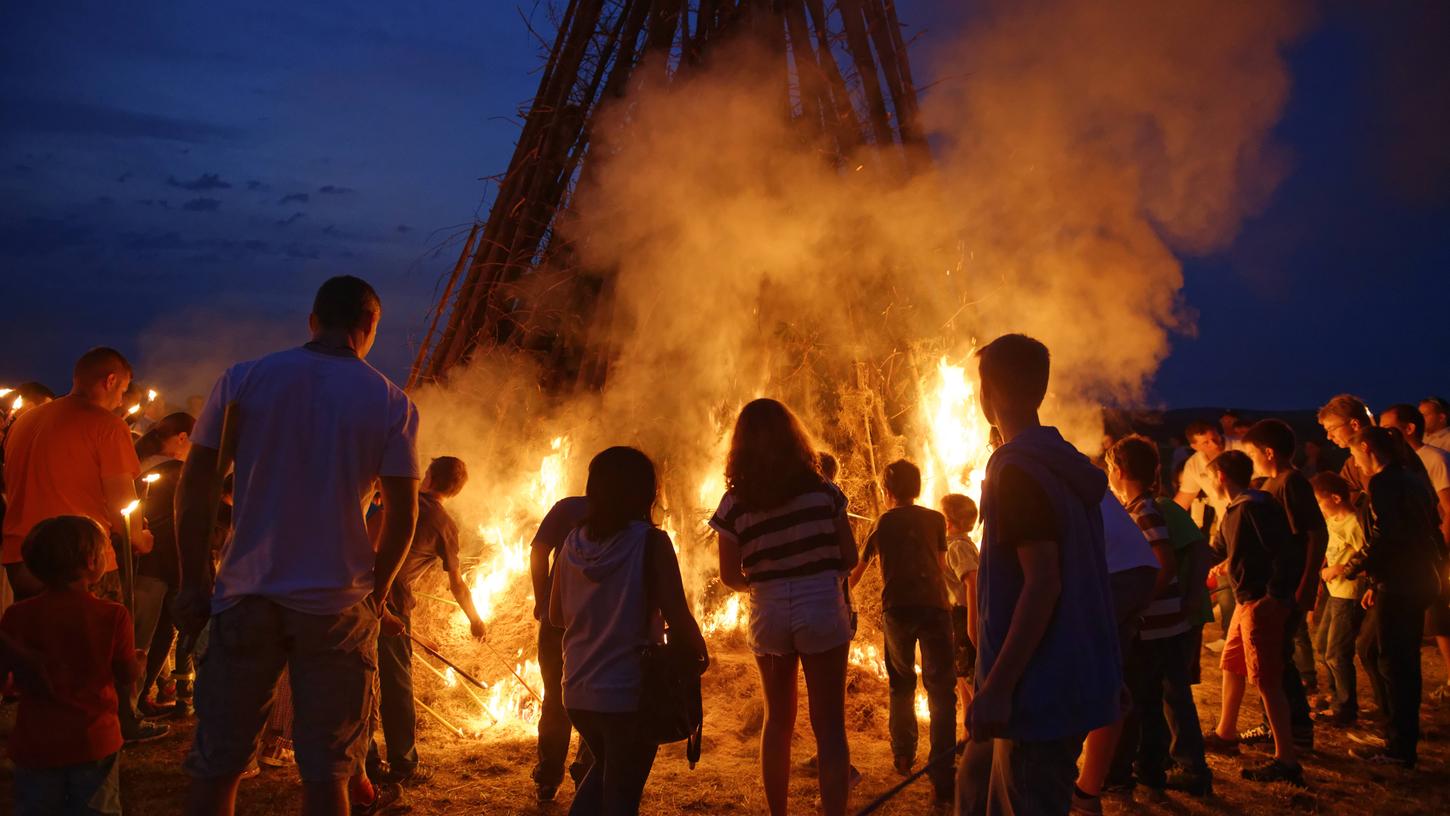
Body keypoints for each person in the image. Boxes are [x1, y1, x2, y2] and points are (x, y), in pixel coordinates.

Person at [173, 276, 421, 816]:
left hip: (246, 594)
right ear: (370, 327)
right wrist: (376, 593)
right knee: (328, 773)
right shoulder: (388, 401)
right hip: (335, 605)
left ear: (312, 321)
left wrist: (194, 581)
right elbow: (404, 511)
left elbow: (195, 487)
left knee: (219, 767)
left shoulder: (244, 380)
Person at [957, 335, 1121, 816]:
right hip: (1064, 678)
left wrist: (999, 688)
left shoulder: (1018, 473)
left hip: (1036, 694)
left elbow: (1043, 583)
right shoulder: (1063, 466)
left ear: (988, 395)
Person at [711, 398, 858, 816]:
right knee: (829, 725)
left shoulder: (734, 502)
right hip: (820, 607)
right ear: (794, 436)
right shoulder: (822, 490)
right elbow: (848, 557)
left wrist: (764, 582)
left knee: (777, 721)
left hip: (769, 609)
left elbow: (729, 575)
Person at [550, 446, 708, 816]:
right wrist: (700, 653)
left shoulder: (572, 542)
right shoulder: (650, 542)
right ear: (647, 493)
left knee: (606, 772)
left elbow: (557, 615)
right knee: (621, 798)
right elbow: (677, 613)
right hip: (629, 693)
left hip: (577, 691)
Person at [0, 516, 141, 816]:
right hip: (93, 739)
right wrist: (137, 662)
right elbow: (126, 675)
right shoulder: (112, 616)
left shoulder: (16, 616)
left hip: (36, 741)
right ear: (92, 561)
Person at [1101, 435, 1211, 801]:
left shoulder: (1143, 510)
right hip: (1164, 624)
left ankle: (1159, 767)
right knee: (1161, 696)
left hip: (1155, 626)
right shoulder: (1141, 506)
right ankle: (1157, 766)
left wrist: (1140, 602)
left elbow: (1162, 561)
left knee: (1149, 698)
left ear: (1117, 471)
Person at [367, 456, 488, 786]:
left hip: (357, 594)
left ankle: (365, 761)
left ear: (430, 476)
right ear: (457, 490)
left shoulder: (392, 499)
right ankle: (403, 764)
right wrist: (476, 620)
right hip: (389, 601)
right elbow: (457, 583)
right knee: (396, 685)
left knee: (362, 679)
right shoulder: (443, 524)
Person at [1330, 427, 1446, 767]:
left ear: (1365, 447)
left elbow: (1387, 535)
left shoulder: (1385, 482)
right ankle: (1393, 732)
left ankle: (1400, 747)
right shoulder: (1410, 478)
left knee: (1397, 661)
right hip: (1411, 578)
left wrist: (1352, 567)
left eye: (1353, 454)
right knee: (1371, 649)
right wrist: (1373, 582)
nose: (1353, 461)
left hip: (1403, 582)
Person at [2, 348, 152, 603]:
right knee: (91, 641)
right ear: (111, 380)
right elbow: (122, 503)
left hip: (22, 559)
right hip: (79, 561)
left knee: (33, 640)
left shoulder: (23, 422)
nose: (120, 401)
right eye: (123, 391)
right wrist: (138, 537)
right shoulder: (108, 426)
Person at [848, 459, 955, 807]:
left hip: (897, 609)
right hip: (936, 607)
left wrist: (840, 597)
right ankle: (942, 771)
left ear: (887, 490)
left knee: (901, 681)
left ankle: (904, 757)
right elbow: (940, 566)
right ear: (919, 487)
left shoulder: (882, 524)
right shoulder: (937, 520)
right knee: (941, 689)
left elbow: (858, 571)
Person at [1202, 450, 1304, 786]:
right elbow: (1224, 549)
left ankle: (1286, 760)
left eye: (1209, 477)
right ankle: (1226, 733)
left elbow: (1284, 551)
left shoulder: (1253, 506)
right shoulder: (1236, 508)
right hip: (1247, 599)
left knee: (1266, 680)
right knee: (1232, 664)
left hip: (1260, 601)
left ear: (1221, 477)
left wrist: (1275, 596)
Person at [1241, 419, 1324, 750]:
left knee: (1279, 658)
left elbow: (1316, 534)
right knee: (1272, 657)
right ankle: (1275, 726)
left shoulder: (1291, 483)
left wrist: (1308, 583)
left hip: (1285, 589)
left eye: (1252, 452)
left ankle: (1297, 729)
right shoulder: (1271, 484)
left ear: (1268, 452)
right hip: (1273, 587)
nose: (1250, 459)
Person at [1074, 490, 1159, 810]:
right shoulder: (1068, 465)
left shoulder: (1029, 467)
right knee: (1107, 680)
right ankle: (1087, 790)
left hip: (1114, 575)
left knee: (1080, 677)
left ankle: (1066, 777)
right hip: (1135, 571)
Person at [1378, 403, 1450, 702]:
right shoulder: (1401, 464)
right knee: (1432, 623)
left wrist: (1439, 550)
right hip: (1414, 558)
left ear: (1408, 429)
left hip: (1431, 553)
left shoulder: (1432, 458)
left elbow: (1446, 508)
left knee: (1441, 615)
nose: (1381, 435)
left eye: (1387, 428)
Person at [531, 492, 595, 801]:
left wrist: (541, 597)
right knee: (594, 700)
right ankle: (586, 776)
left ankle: (549, 778)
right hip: (600, 624)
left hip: (558, 620)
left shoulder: (568, 507)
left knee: (555, 698)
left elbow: (538, 551)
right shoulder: (629, 511)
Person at [130, 412, 195, 716]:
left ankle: (139, 699)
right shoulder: (173, 471)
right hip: (156, 565)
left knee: (160, 633)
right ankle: (129, 705)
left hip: (157, 564)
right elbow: (176, 523)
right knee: (144, 637)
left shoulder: (147, 466)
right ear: (183, 438)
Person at [1309, 472, 1367, 726]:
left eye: (1320, 503)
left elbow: (1369, 559)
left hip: (1349, 595)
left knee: (1337, 653)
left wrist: (1340, 568)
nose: (1318, 508)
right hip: (1334, 594)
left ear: (1335, 498)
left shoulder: (1354, 523)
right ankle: (1334, 697)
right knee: (1323, 646)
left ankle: (1345, 708)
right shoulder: (1331, 520)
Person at [941, 493, 979, 728]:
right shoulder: (961, 544)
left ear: (947, 522)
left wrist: (971, 625)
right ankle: (969, 733)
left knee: (970, 676)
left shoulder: (956, 548)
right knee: (962, 676)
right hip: (960, 615)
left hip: (964, 615)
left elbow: (972, 581)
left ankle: (988, 737)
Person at [1173, 420, 1241, 528]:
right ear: (1195, 447)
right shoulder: (1194, 465)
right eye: (1206, 442)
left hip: (1255, 520)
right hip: (1226, 525)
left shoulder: (1242, 446)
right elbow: (1184, 499)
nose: (1214, 445)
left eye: (1215, 438)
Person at [1317, 394, 1378, 501]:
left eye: (1332, 428)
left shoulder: (1393, 453)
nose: (1329, 437)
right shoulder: (1351, 466)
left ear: (1354, 424)